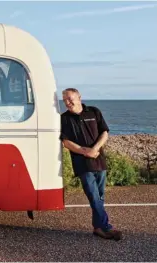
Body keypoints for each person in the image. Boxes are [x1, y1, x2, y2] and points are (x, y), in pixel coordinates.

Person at [59, 88, 122, 241]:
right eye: (65, 100)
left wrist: (94, 149)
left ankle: (98, 228)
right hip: (82, 164)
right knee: (93, 196)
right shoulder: (64, 118)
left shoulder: (94, 112)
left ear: (79, 97)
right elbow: (66, 142)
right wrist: (83, 151)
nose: (67, 102)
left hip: (99, 161)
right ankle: (107, 227)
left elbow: (105, 132)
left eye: (70, 98)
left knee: (99, 196)